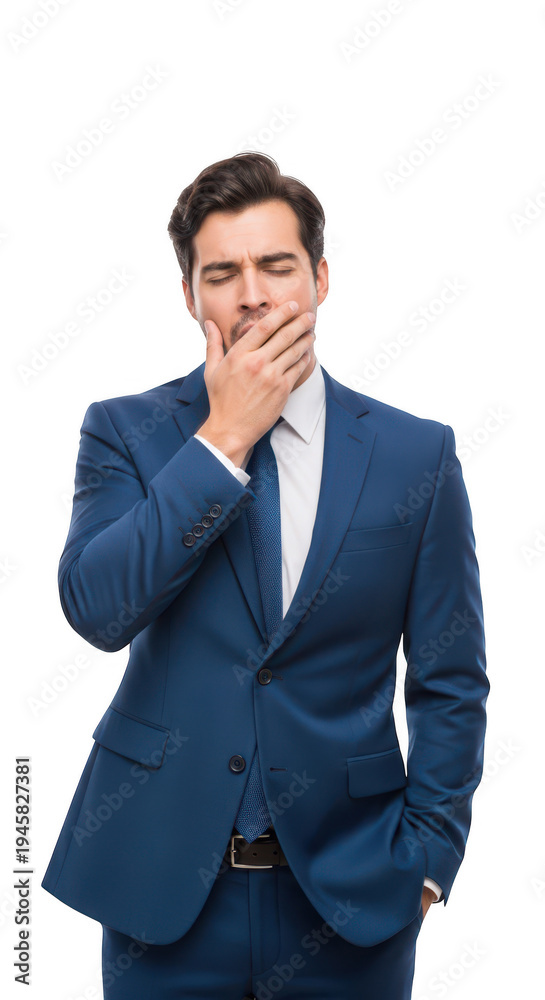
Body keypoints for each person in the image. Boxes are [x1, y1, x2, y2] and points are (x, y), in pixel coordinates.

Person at [41, 152, 489, 999]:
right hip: (161, 891)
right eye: (221, 274)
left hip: (352, 899)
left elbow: (449, 679)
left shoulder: (415, 454)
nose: (251, 294)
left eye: (276, 266)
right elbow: (98, 610)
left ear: (319, 278)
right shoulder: (125, 432)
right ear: (190, 297)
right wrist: (223, 440)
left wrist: (428, 863)